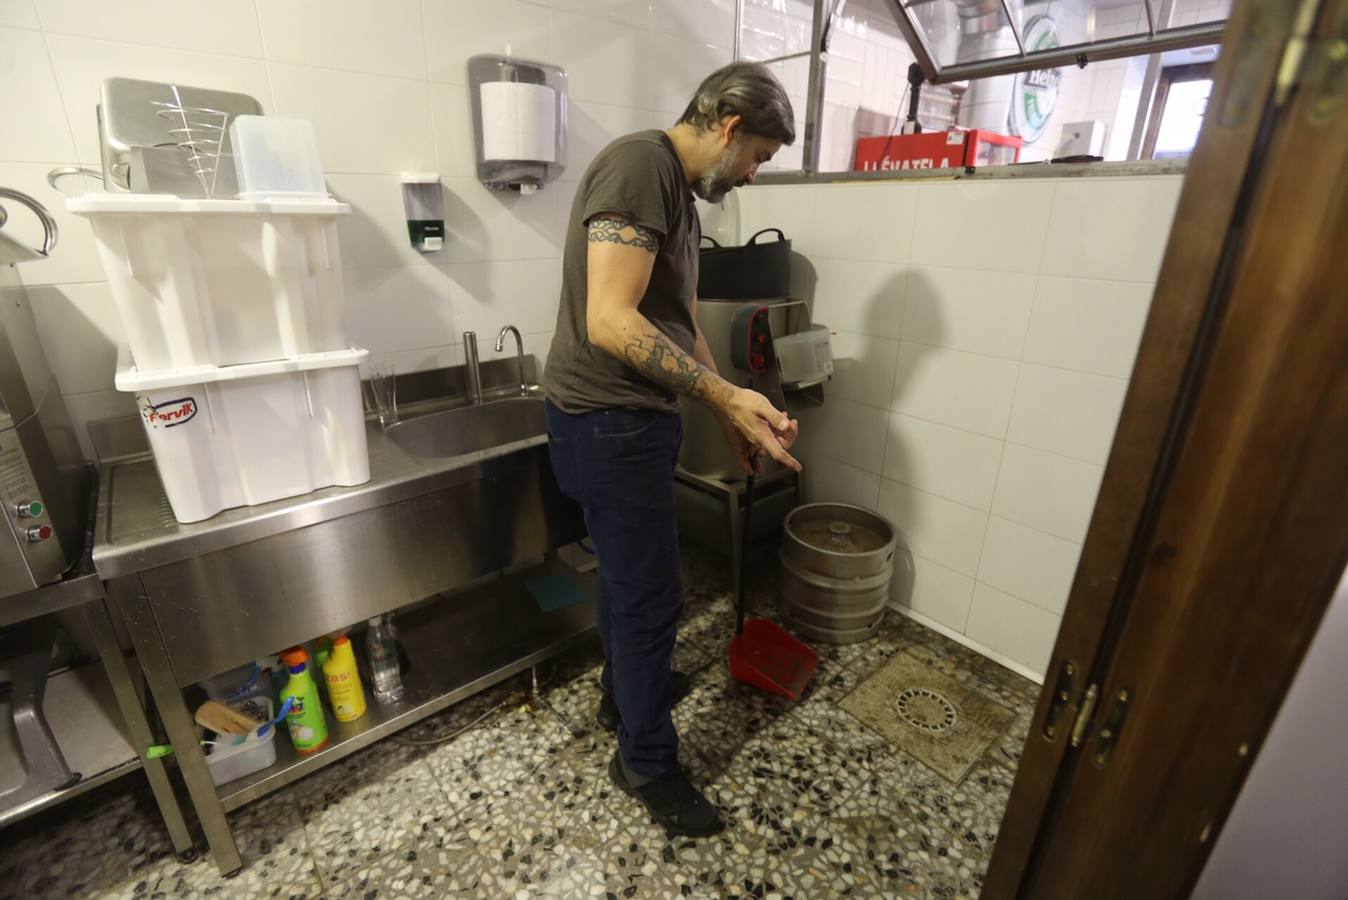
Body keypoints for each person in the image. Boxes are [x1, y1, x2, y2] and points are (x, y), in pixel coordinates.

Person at [543, 62, 801, 837]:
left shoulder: (678, 198)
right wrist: (723, 397)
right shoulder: (637, 167)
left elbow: (678, 315)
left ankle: (622, 697)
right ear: (727, 127)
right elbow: (612, 322)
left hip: (631, 420)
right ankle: (646, 761)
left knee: (630, 582)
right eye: (756, 156)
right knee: (653, 595)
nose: (753, 174)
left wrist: (729, 415)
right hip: (606, 421)